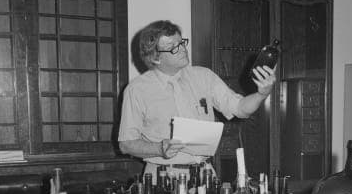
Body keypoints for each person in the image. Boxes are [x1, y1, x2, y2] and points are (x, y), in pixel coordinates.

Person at [118, 20, 276, 180]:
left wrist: (261, 94)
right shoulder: (137, 90)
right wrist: (159, 148)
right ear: (156, 58)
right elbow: (126, 144)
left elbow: (240, 109)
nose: (182, 49)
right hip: (162, 176)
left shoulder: (203, 76)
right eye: (173, 47)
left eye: (181, 42)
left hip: (204, 174)